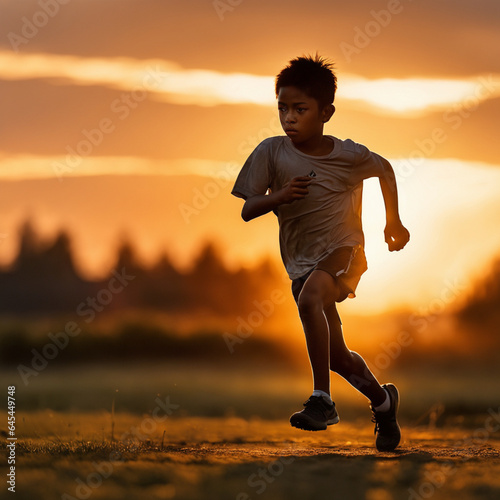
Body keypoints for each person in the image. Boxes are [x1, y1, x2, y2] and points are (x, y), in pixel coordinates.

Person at [231, 55, 410, 452]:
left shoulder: (347, 156)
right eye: (282, 108)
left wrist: (392, 222)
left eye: (300, 109)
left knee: (312, 297)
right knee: (336, 356)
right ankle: (383, 402)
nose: (289, 118)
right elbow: (247, 209)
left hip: (344, 251)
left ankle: (322, 401)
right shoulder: (271, 152)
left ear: (326, 112)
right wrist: (278, 195)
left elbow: (384, 169)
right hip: (301, 263)